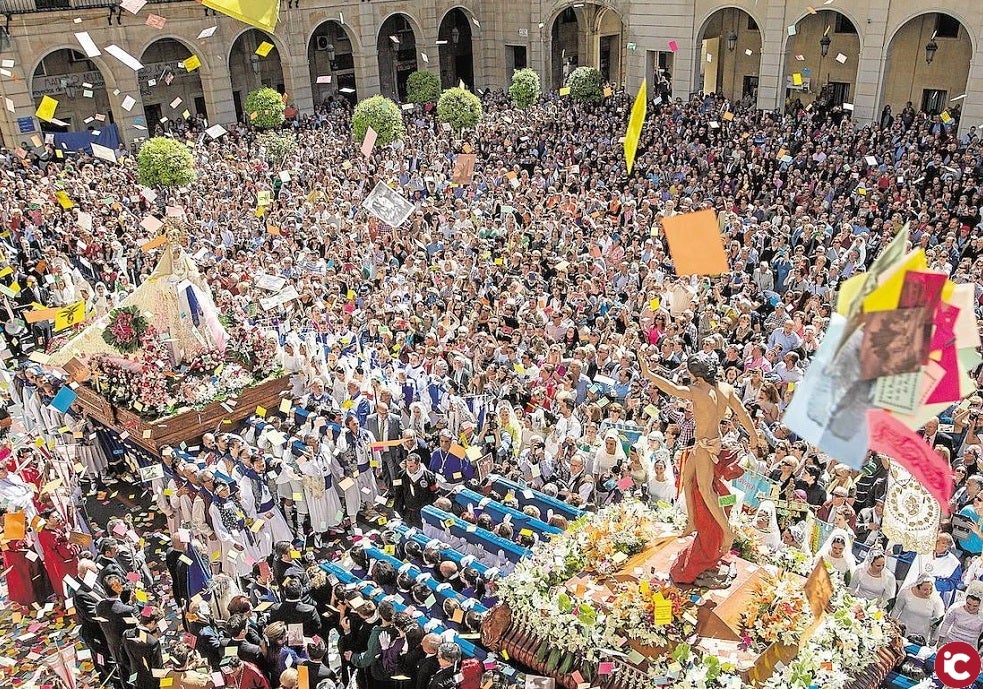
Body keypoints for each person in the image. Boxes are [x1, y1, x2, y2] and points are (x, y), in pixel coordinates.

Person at [639, 350, 762, 587]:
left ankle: (727, 532)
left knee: (706, 491)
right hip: (702, 444)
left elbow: (671, 389)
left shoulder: (697, 392)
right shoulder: (725, 389)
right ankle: (692, 522)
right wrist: (754, 436)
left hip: (706, 447)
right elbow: (743, 413)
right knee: (685, 480)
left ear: (699, 375)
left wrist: (647, 373)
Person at [891, 574, 945, 644]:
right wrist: (890, 625)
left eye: (930, 589)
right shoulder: (905, 593)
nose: (928, 592)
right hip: (903, 631)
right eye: (925, 589)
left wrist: (934, 637)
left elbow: (938, 620)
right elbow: (897, 609)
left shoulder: (936, 600)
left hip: (921, 636)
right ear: (918, 587)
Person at [122, 605, 165, 689]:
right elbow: (157, 669)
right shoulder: (153, 642)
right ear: (152, 623)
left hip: (135, 676)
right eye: (157, 624)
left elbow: (123, 658)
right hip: (150, 682)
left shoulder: (126, 634)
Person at [392, 452, 438, 528]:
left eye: (411, 466)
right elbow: (398, 493)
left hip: (423, 512)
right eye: (407, 466)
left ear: (418, 464)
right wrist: (398, 509)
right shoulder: (401, 475)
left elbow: (434, 495)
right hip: (408, 511)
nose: (408, 468)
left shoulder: (429, 476)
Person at [938, 583, 983, 648]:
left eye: (975, 606)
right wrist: (940, 640)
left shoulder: (981, 616)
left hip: (970, 646)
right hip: (951, 641)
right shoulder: (957, 609)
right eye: (968, 604)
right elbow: (947, 623)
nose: (971, 608)